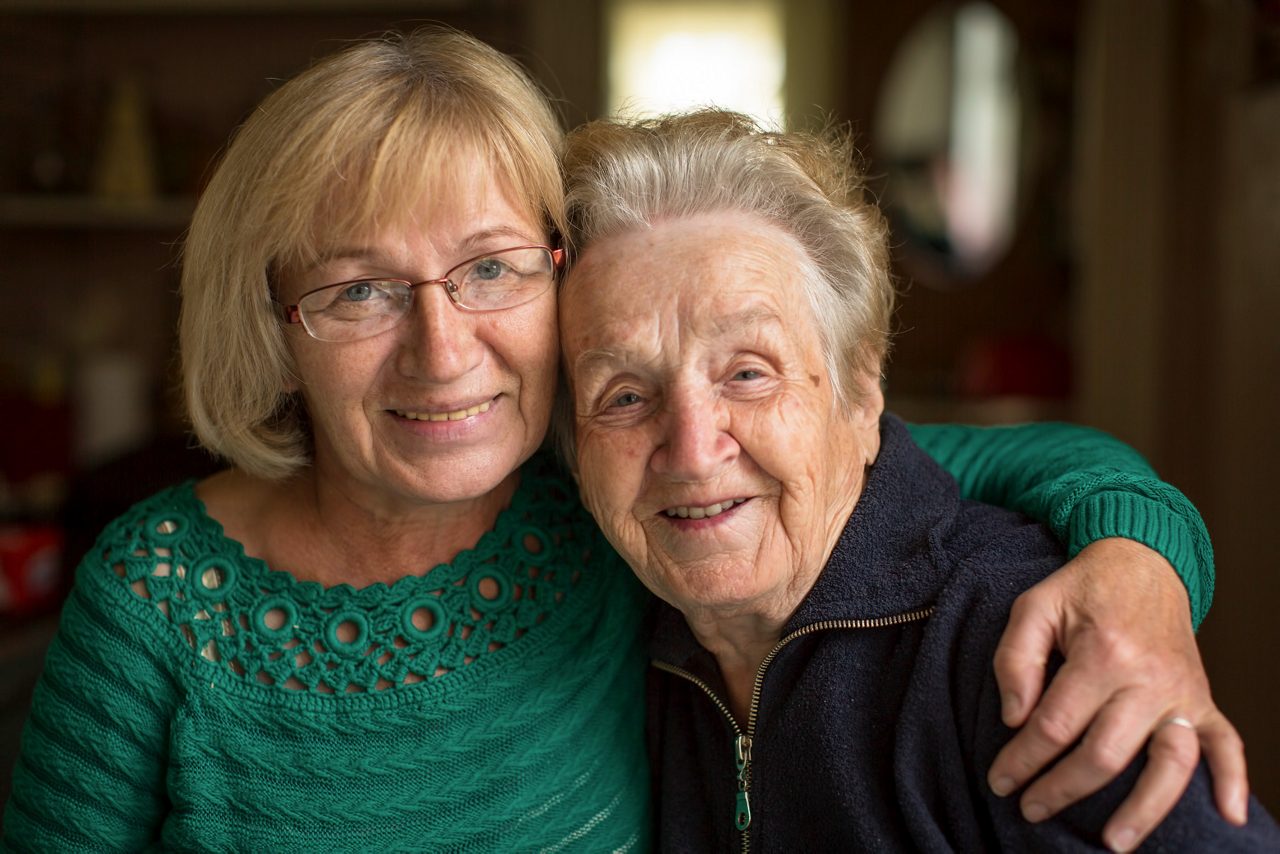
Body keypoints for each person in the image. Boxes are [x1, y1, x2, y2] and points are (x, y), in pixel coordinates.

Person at [0, 28, 1243, 851]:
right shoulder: (155, 601)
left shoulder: (602, 493)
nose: (441, 353)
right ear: (272, 323)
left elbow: (963, 464)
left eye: (488, 269)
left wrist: (1141, 564)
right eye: (357, 291)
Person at [555, 109, 1277, 851]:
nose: (693, 452)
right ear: (575, 450)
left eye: (747, 373)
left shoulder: (1011, 643)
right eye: (625, 397)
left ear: (861, 394)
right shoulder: (606, 633)